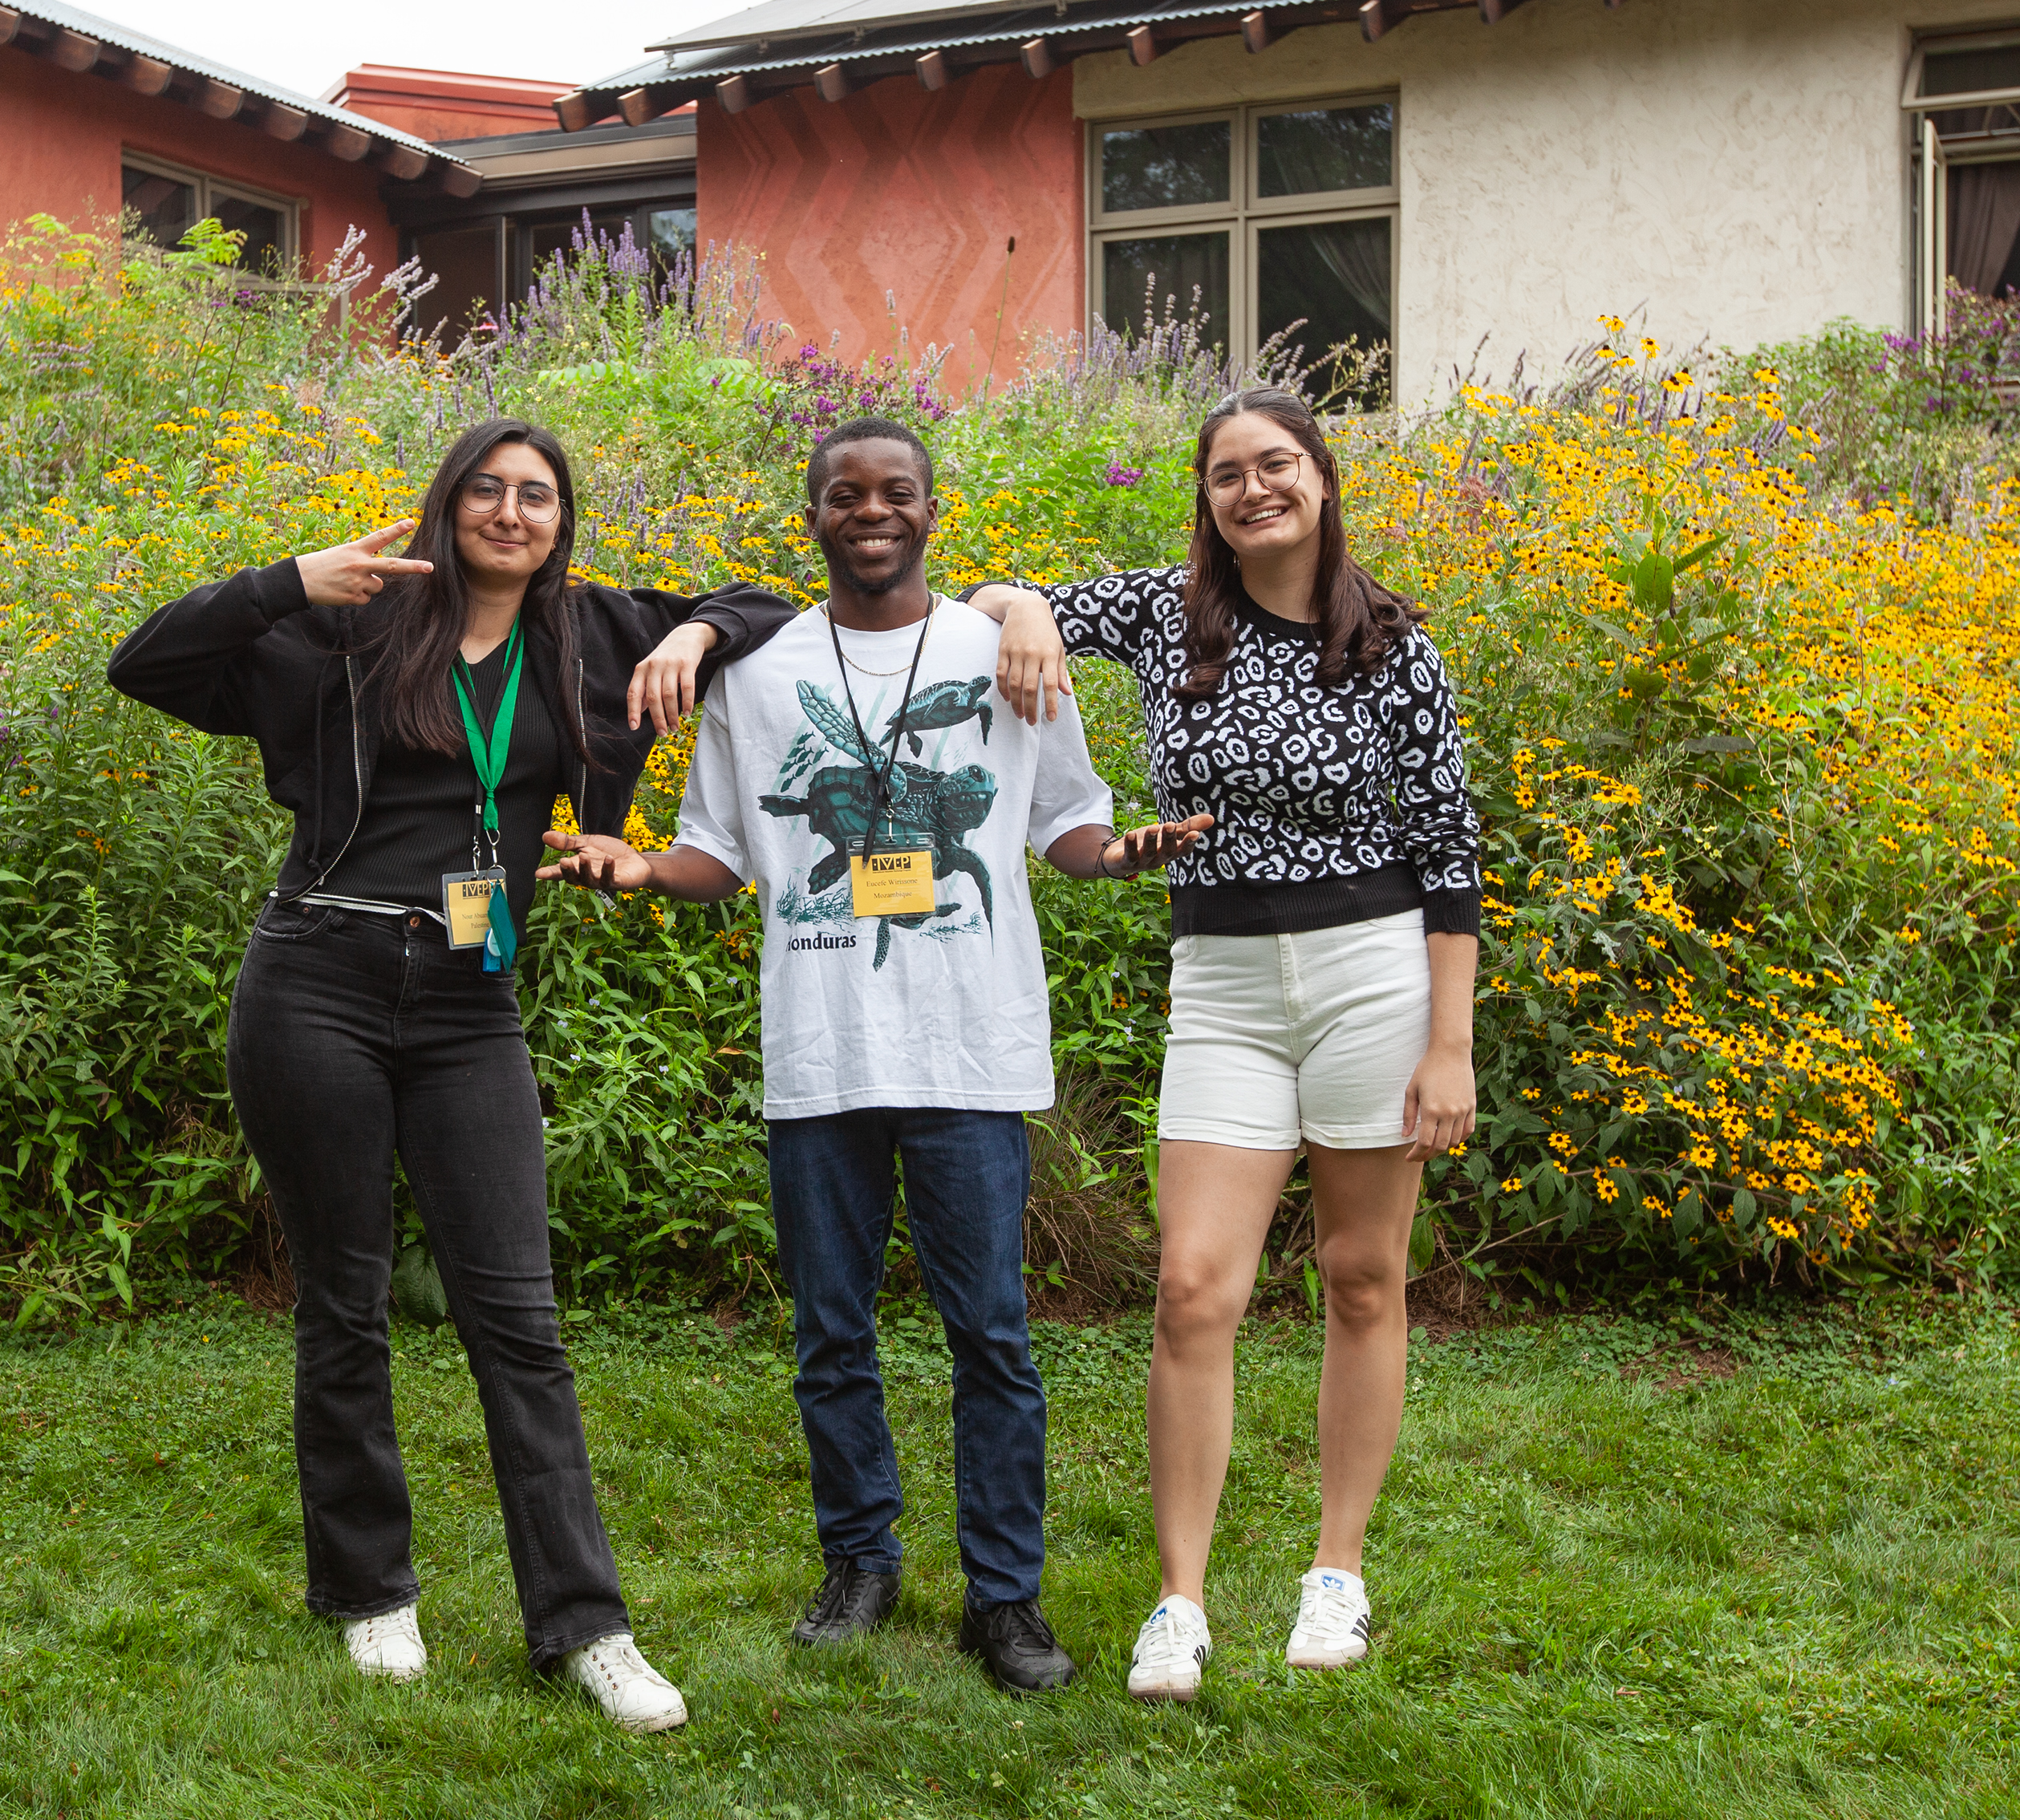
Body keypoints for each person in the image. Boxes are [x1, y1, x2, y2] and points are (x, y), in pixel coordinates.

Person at [108, 416, 794, 1733]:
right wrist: (285, 581)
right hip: (318, 979)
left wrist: (695, 634)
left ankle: (585, 1626)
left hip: (470, 1004)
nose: (512, 512)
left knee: (518, 1319)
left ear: (562, 518)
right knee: (346, 1301)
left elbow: (767, 602)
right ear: (446, 505)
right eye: (487, 489)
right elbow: (145, 661)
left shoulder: (592, 632)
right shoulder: (354, 625)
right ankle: (370, 1596)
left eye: (538, 494)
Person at [541, 415, 1208, 1696]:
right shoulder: (761, 668)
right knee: (829, 1334)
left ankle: (1004, 1601)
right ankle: (860, 1562)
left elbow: (1069, 824)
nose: (872, 511)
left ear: (930, 510)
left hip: (971, 1056)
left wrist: (1132, 854)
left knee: (993, 1337)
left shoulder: (1008, 649)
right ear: (815, 516)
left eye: (895, 492)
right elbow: (722, 855)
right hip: (823, 1053)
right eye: (845, 494)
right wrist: (636, 870)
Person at [966, 386, 1482, 1704]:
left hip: (1375, 973)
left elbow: (1450, 853)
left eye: (1278, 464)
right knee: (1196, 1287)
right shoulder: (1163, 611)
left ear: (1320, 478)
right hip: (1228, 979)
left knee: (1365, 1278)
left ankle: (1337, 1574)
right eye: (1227, 473)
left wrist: (1451, 1046)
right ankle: (1180, 1600)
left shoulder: (1393, 645)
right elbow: (987, 601)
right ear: (1205, 499)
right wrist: (1021, 607)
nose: (1253, 488)